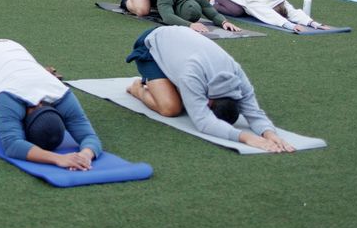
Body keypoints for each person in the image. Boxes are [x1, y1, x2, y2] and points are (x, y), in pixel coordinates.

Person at [0, 38, 103, 171]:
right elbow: (13, 145)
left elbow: (90, 137)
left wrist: (85, 155)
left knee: (1, 85)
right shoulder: (10, 99)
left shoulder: (62, 97)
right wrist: (58, 158)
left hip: (11, 59)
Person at [125, 26, 296, 152]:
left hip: (179, 45)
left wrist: (270, 134)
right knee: (171, 108)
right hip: (152, 43)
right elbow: (203, 122)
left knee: (184, 101)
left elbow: (254, 113)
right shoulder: (191, 73)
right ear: (208, 102)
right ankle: (138, 89)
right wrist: (245, 137)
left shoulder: (236, 74)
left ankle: (166, 84)